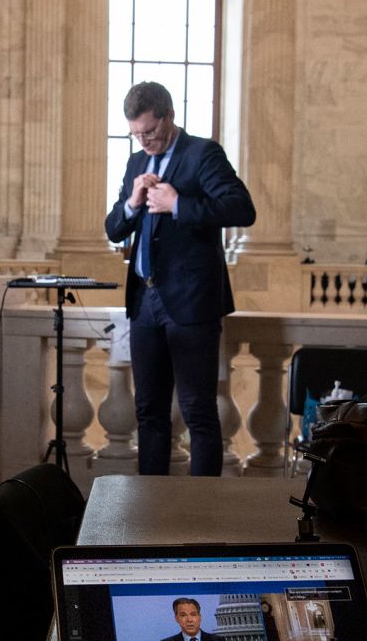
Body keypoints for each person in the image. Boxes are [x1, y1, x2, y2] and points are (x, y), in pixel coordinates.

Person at [104, 82, 255, 476]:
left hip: (191, 302)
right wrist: (132, 204)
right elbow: (113, 229)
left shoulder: (202, 153)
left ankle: (199, 517)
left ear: (169, 117)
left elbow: (242, 208)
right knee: (148, 412)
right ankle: (151, 509)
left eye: (149, 132)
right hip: (144, 302)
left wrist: (178, 204)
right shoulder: (137, 164)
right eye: (135, 134)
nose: (143, 140)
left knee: (197, 411)